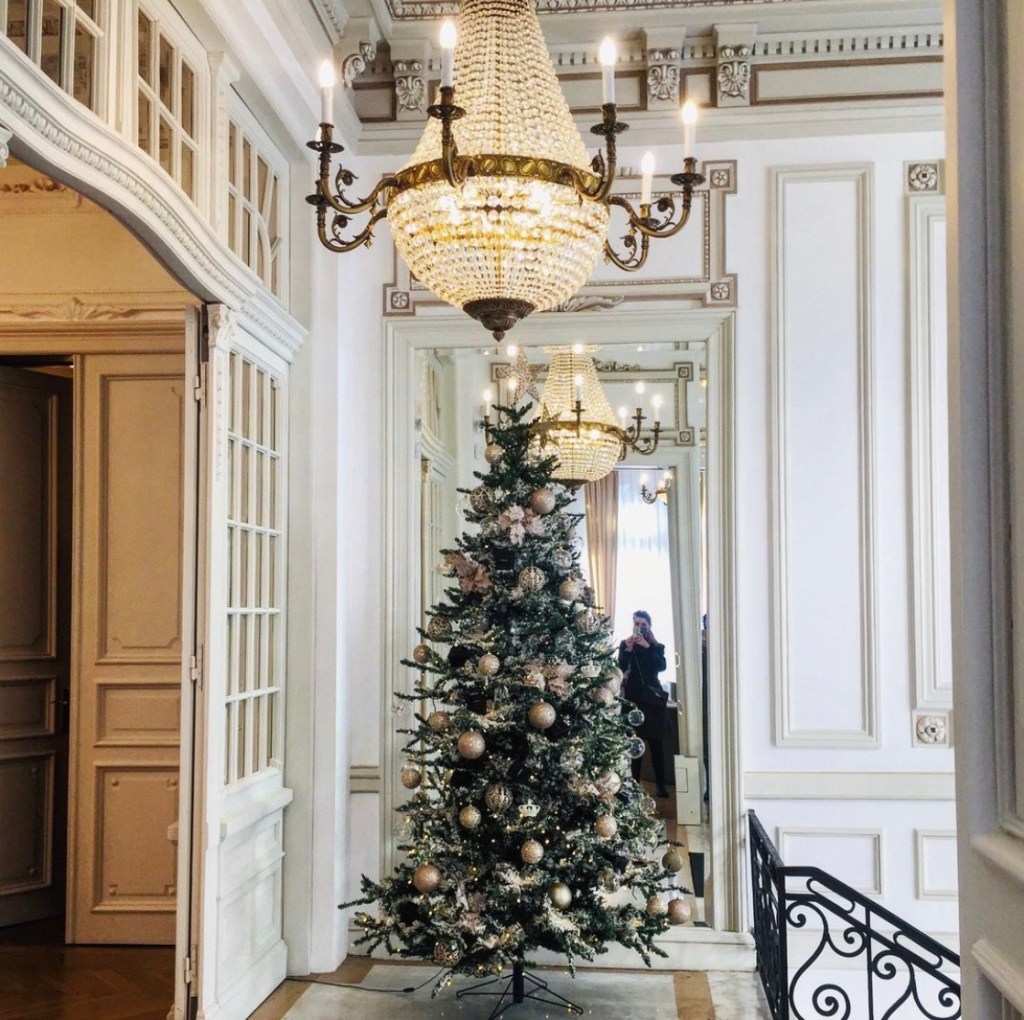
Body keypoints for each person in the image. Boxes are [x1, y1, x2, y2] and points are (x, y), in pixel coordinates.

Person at [618, 610, 670, 797]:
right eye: (637, 623)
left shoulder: (656, 646)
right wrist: (627, 651)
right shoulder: (626, 644)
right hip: (633, 700)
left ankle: (661, 786)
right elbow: (620, 667)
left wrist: (647, 647)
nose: (640, 627)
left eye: (643, 624)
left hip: (653, 702)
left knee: (656, 745)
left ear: (649, 626)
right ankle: (634, 786)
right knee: (634, 745)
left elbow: (661, 666)